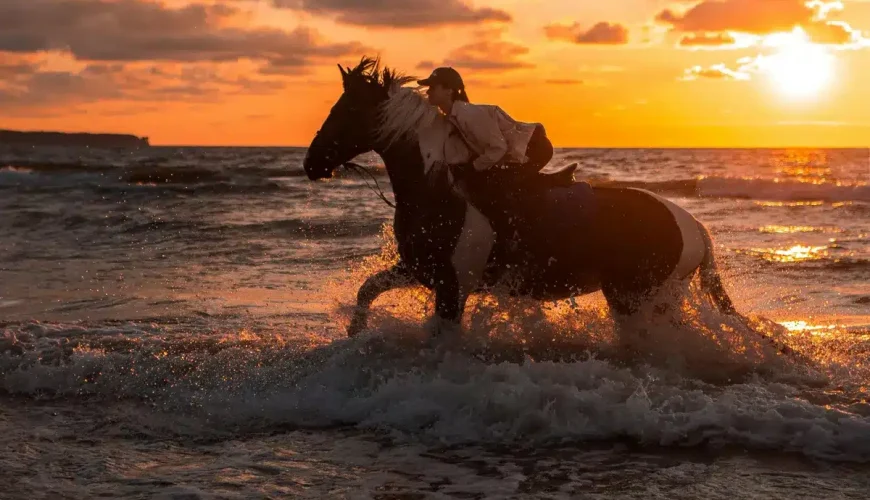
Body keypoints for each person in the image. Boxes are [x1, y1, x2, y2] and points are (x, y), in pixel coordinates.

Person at [417, 67, 556, 255]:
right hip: (513, 154)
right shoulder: (452, 117)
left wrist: (473, 168)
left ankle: (511, 239)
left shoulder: (468, 115)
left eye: (433, 87)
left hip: (535, 149)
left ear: (449, 90)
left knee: (498, 186)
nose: (428, 91)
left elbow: (498, 148)